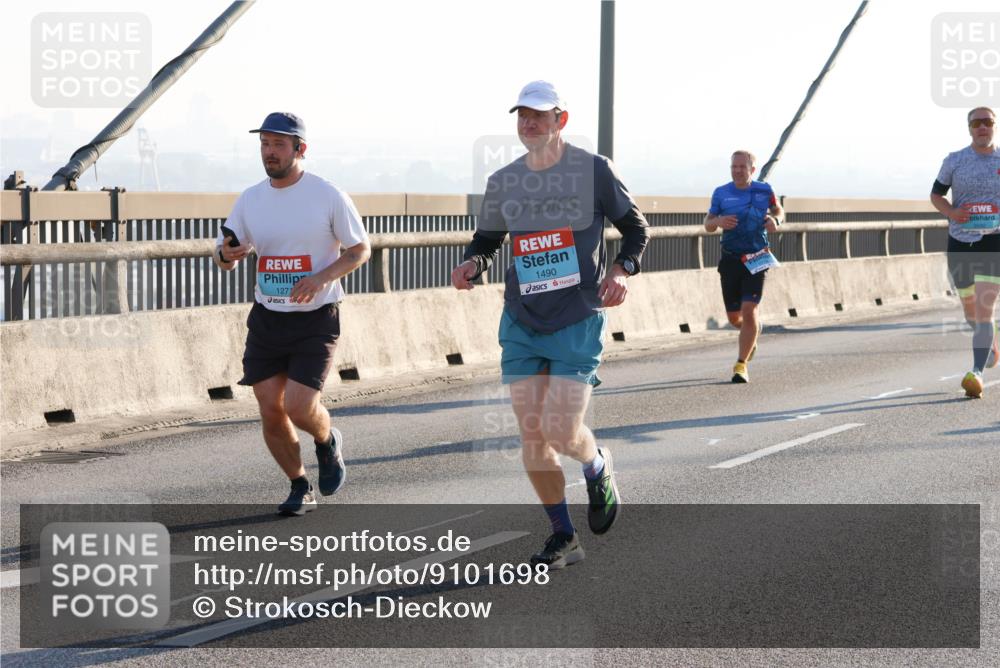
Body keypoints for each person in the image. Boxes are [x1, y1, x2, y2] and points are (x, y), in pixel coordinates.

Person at [451, 81, 649, 568]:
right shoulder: (504, 181)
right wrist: (472, 264)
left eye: (538, 115)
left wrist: (621, 271)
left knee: (561, 431)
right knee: (532, 436)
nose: (528, 124)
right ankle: (564, 536)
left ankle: (596, 463)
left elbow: (636, 229)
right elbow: (488, 239)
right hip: (521, 318)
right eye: (522, 116)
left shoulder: (593, 170)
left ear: (561, 119)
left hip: (577, 318)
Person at [214, 112, 371, 514]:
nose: (269, 152)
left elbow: (359, 250)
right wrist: (226, 255)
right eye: (264, 144)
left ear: (300, 149)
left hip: (316, 317)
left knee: (299, 407)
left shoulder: (327, 194)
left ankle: (326, 441)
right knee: (270, 409)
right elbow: (227, 253)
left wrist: (320, 278)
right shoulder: (251, 198)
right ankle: (300, 485)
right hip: (268, 317)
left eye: (278, 144)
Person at [930, 107, 1000, 398]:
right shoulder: (955, 160)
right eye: (977, 123)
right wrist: (952, 212)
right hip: (959, 243)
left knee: (984, 310)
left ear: (994, 126)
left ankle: (976, 373)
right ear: (969, 128)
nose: (982, 127)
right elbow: (936, 194)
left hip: (993, 243)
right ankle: (990, 346)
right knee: (970, 310)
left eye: (988, 122)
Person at [703, 150, 784, 383]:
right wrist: (718, 221)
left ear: (752, 170)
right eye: (734, 167)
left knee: (750, 310)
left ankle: (741, 364)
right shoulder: (721, 193)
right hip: (730, 259)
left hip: (757, 258)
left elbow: (778, 210)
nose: (737, 171)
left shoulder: (764, 190)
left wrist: (775, 220)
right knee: (735, 318)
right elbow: (708, 224)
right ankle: (752, 333)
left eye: (742, 167)